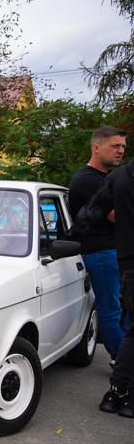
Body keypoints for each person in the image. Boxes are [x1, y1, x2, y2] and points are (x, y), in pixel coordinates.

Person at [69, 127, 128, 364]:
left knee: (123, 307)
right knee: (110, 309)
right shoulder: (88, 180)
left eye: (123, 146)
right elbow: (116, 215)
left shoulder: (106, 178)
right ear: (96, 147)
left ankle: (124, 353)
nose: (121, 151)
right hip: (101, 253)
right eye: (115, 146)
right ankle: (121, 360)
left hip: (116, 251)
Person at [92, 158, 134, 417]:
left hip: (128, 262)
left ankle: (116, 392)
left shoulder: (119, 176)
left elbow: (95, 211)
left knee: (131, 330)